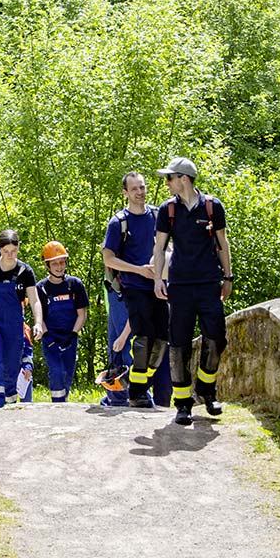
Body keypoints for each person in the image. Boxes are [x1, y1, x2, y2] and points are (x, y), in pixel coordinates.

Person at [152, 156, 233, 428]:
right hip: (180, 286)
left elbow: (222, 244)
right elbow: (160, 248)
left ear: (183, 179)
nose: (166, 183)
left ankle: (207, 390)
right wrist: (157, 280)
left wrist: (228, 277)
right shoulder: (168, 210)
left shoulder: (212, 207)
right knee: (179, 345)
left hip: (209, 283)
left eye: (170, 178)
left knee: (216, 338)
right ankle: (183, 404)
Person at [102, 171, 170, 409]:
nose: (140, 192)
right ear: (125, 193)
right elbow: (109, 259)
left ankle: (138, 384)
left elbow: (169, 245)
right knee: (142, 337)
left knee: (161, 339)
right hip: (134, 287)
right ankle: (137, 393)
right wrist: (138, 270)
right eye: (135, 189)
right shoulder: (118, 222)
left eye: (142, 187)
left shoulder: (157, 215)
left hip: (159, 286)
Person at [0, 229, 43, 408]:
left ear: (18, 248)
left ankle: (10, 405)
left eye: (13, 251)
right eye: (5, 251)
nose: (10, 255)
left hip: (14, 326)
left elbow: (34, 300)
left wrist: (38, 323)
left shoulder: (25, 271)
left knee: (12, 366)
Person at [36, 241, 88, 403]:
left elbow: (82, 314)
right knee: (56, 371)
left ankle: (63, 404)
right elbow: (40, 317)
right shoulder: (41, 288)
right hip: (51, 339)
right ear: (47, 265)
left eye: (62, 262)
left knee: (67, 373)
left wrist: (73, 335)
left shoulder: (75, 285)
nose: (59, 267)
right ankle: (57, 405)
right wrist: (48, 338)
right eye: (55, 263)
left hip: (70, 339)